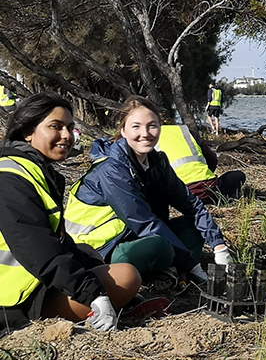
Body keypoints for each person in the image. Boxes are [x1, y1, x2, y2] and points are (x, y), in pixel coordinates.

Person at [0, 92, 140, 332]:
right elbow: (38, 248)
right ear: (28, 132)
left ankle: (114, 302)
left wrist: (88, 271)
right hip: (12, 300)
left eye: (70, 127)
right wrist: (93, 292)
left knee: (86, 251)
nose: (66, 136)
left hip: (32, 280)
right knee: (127, 276)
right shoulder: (10, 178)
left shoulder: (37, 171)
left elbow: (58, 241)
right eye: (55, 127)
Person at [64, 96, 231, 287]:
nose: (145, 133)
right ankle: (169, 268)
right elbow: (143, 223)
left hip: (132, 237)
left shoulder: (157, 162)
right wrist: (193, 265)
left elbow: (190, 204)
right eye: (136, 126)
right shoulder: (111, 169)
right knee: (159, 246)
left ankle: (168, 268)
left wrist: (219, 247)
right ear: (123, 131)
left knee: (193, 227)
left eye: (152, 126)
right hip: (99, 249)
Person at [157, 123, 246, 204]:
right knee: (239, 175)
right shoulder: (185, 131)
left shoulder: (149, 137)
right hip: (208, 188)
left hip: (177, 194)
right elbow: (212, 159)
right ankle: (219, 198)